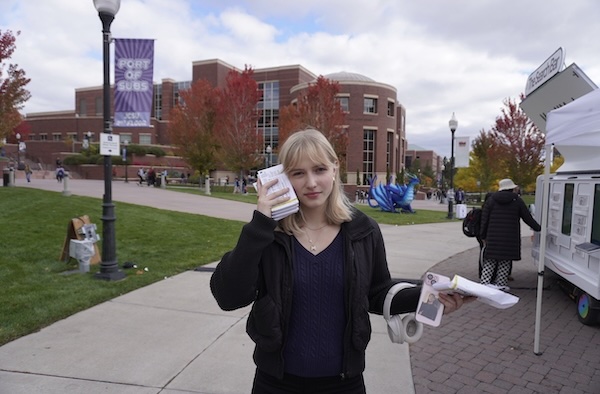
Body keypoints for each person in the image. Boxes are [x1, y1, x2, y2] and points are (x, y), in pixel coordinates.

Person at [210, 128, 470, 393]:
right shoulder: (269, 234)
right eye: (298, 173)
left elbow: (378, 292)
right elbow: (228, 297)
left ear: (334, 169)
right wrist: (261, 224)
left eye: (319, 169)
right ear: (283, 178)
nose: (311, 182)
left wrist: (428, 297)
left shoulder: (363, 230)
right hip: (276, 383)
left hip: (345, 383)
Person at [479, 178, 541, 290]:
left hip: (493, 237)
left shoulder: (491, 200)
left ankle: (484, 283)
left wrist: (483, 235)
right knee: (505, 261)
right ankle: (501, 284)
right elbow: (527, 218)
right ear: (511, 188)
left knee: (490, 260)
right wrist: (539, 228)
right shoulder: (517, 200)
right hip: (510, 237)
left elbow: (485, 219)